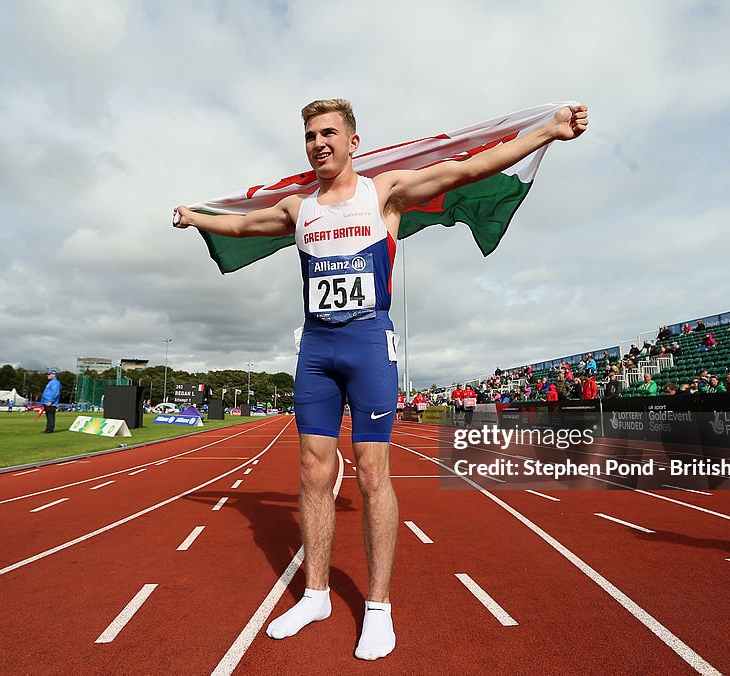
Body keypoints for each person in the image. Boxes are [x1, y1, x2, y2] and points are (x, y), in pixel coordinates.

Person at [174, 98, 587, 660]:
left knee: (371, 472)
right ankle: (316, 594)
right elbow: (246, 224)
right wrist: (196, 217)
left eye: (328, 133)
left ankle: (377, 608)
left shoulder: (384, 192)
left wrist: (545, 133)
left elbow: (466, 169)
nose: (319, 143)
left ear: (352, 141)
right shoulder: (299, 210)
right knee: (313, 470)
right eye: (310, 136)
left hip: (369, 344)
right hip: (316, 348)